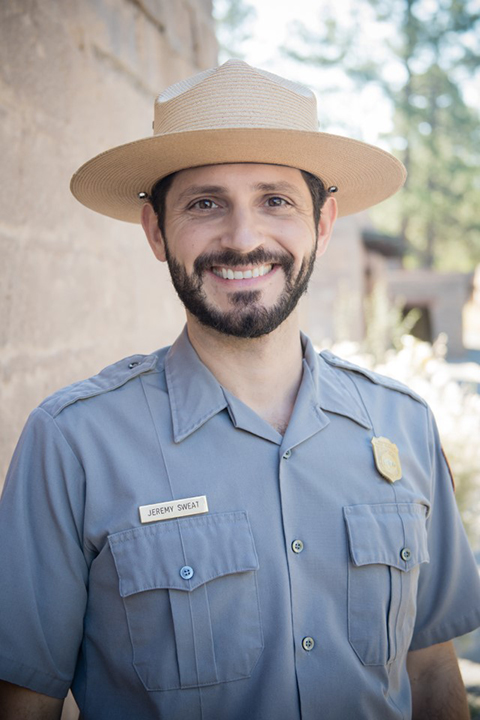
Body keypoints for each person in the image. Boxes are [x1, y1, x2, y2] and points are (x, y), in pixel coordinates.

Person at [0, 59, 479, 720]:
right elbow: (23, 703)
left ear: (323, 222)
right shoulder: (72, 444)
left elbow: (429, 672)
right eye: (205, 203)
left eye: (275, 199)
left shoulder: (405, 426)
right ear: (156, 231)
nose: (244, 238)